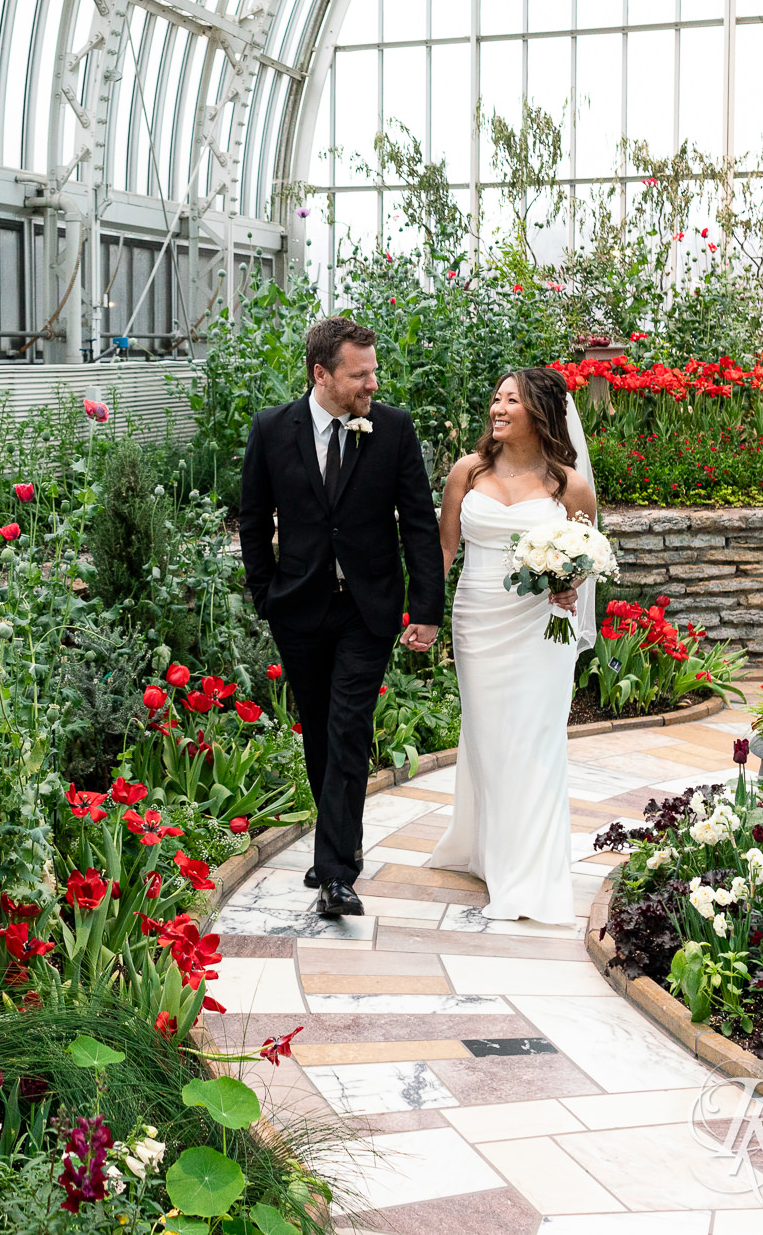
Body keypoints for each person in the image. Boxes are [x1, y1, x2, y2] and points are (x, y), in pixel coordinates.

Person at [239, 317, 445, 919]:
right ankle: (337, 842)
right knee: (321, 733)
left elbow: (419, 526)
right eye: (359, 374)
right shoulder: (272, 429)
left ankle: (335, 873)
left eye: (374, 371)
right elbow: (253, 520)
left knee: (350, 727)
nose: (372, 384)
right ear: (321, 374)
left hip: (368, 608)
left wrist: (426, 610)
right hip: (298, 607)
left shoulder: (394, 429)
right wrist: (264, 594)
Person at [429, 367, 597, 925]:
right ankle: (489, 848)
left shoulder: (568, 485)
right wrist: (423, 615)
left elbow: (585, 552)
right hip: (478, 621)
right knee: (489, 737)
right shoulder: (466, 472)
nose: (498, 408)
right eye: (496, 397)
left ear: (541, 413)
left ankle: (526, 873)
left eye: (512, 400)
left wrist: (569, 583)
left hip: (542, 625)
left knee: (536, 739)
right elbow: (444, 552)